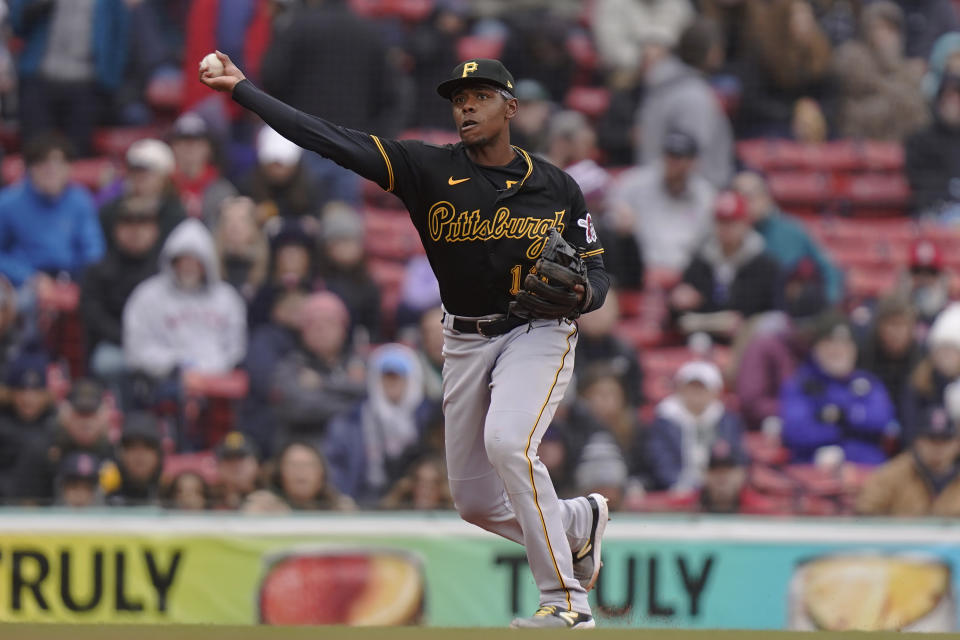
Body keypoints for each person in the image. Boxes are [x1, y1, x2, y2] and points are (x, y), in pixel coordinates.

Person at [201, 54, 611, 628]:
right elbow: (328, 139)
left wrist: (582, 296)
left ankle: (567, 602)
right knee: (474, 501)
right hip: (465, 339)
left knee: (509, 444)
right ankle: (575, 523)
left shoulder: (556, 186)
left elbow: (597, 274)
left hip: (535, 332)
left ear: (511, 107)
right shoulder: (426, 168)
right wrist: (243, 90)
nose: (466, 105)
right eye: (459, 98)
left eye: (481, 95)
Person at [123, 218, 247, 383]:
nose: (189, 267)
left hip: (217, 382)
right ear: (172, 261)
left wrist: (209, 368)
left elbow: (235, 347)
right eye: (184, 260)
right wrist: (177, 366)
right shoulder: (148, 296)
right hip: (162, 380)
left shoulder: (226, 298)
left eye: (195, 261)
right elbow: (137, 348)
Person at [10, 0, 130, 156]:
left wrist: (110, 82)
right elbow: (16, 23)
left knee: (77, 154)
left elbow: (119, 34)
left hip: (86, 84)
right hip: (39, 79)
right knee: (36, 151)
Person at [323, 344, 437, 506]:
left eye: (398, 376)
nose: (392, 382)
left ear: (412, 379)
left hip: (415, 500)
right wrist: (342, 498)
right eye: (386, 376)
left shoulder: (429, 419)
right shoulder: (350, 421)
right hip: (362, 499)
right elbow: (336, 466)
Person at [780, 313, 898, 465]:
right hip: (815, 468)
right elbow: (795, 431)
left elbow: (883, 420)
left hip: (868, 466)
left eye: (844, 344)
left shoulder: (867, 382)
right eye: (830, 343)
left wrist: (844, 415)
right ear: (816, 348)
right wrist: (842, 430)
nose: (838, 350)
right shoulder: (801, 384)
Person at [669, 191, 780, 340]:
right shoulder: (700, 262)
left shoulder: (766, 266)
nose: (726, 229)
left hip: (749, 343)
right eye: (721, 222)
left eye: (732, 222)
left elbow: (776, 315)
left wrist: (748, 325)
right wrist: (676, 304)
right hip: (703, 340)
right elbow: (677, 319)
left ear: (746, 222)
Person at [0, 134, 104, 288]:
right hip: (24, 282)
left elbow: (93, 248)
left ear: (69, 168)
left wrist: (88, 276)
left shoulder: (80, 199)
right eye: (43, 165)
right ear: (30, 168)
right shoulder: (8, 202)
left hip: (72, 277)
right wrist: (27, 276)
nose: (51, 172)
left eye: (59, 165)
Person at [81, 197, 162, 388]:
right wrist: (130, 340)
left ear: (155, 230)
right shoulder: (97, 271)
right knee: (106, 362)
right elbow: (93, 316)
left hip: (159, 346)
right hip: (117, 345)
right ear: (117, 230)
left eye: (143, 224)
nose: (136, 232)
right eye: (128, 224)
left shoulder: (165, 271)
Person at [607, 130, 715, 272]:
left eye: (680, 158)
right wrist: (618, 220)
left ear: (693, 162)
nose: (673, 163)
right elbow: (609, 216)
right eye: (669, 155)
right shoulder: (634, 183)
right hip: (638, 268)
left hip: (686, 272)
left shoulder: (705, 195)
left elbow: (709, 241)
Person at [269, 292, 366, 448]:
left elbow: (372, 395)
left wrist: (323, 383)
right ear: (303, 331)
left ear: (344, 327)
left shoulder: (360, 362)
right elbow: (299, 409)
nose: (321, 329)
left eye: (329, 322)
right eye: (313, 323)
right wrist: (351, 401)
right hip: (304, 448)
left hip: (352, 451)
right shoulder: (290, 366)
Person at [635, 38, 733, 188]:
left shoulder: (658, 88)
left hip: (657, 185)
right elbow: (693, 153)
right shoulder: (693, 94)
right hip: (683, 192)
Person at [733, 170, 843, 305]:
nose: (745, 203)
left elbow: (830, 269)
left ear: (766, 197)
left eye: (749, 197)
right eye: (738, 197)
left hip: (788, 314)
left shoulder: (793, 231)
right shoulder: (724, 235)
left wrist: (826, 305)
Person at [831, 2, 929, 141]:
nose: (883, 35)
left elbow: (919, 116)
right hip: (858, 145)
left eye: (890, 30)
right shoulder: (852, 60)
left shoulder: (906, 70)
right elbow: (849, 111)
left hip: (900, 149)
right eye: (878, 28)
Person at [645, 361, 746, 492]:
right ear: (680, 389)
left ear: (715, 392)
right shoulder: (664, 422)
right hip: (675, 488)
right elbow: (660, 461)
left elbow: (737, 459)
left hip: (716, 490)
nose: (696, 393)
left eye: (702, 388)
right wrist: (679, 485)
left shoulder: (728, 422)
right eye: (691, 387)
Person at [13, 377, 114, 504]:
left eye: (91, 415)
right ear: (65, 415)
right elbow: (25, 505)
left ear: (104, 416)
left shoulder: (114, 453)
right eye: (79, 414)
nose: (85, 423)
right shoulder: (41, 451)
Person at [856, 406, 960, 516]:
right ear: (918, 441)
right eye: (931, 440)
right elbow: (865, 512)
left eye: (945, 441)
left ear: (957, 443)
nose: (938, 448)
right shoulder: (892, 474)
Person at [98, 138, 185, 248]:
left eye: (146, 174)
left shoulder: (175, 214)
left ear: (164, 178)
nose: (139, 179)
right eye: (134, 172)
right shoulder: (110, 212)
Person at [315, 203, 382, 344]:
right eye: (339, 241)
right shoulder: (318, 280)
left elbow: (373, 328)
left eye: (350, 241)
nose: (345, 248)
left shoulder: (369, 286)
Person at [857, 296, 923, 423]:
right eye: (891, 324)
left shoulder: (921, 360)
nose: (896, 332)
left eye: (902, 325)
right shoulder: (863, 355)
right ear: (878, 326)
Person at [0, 352, 57, 499]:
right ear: (9, 393)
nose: (28, 398)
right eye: (21, 390)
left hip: (48, 512)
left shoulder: (56, 425)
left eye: (36, 390)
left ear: (46, 394)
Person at [902, 303, 960, 444]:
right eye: (942, 348)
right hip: (920, 456)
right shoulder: (918, 384)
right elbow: (909, 432)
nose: (946, 356)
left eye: (952, 349)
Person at [575, 289, 643, 408]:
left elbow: (635, 398)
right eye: (590, 307)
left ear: (616, 312)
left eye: (602, 308)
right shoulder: (564, 351)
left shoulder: (626, 352)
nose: (596, 314)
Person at [241, 125, 322, 222]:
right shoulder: (247, 187)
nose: (278, 170)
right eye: (272, 162)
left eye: (283, 162)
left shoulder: (311, 188)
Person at [905, 74, 960, 217]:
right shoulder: (921, 141)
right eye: (949, 98)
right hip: (937, 212)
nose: (953, 104)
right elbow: (922, 186)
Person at [592, 0, 695, 75]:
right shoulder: (611, 4)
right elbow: (610, 49)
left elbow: (692, 41)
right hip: (629, 76)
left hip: (675, 73)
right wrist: (644, 59)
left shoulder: (679, 4)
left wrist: (665, 55)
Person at [168, 112, 237, 224]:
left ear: (208, 148)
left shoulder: (223, 191)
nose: (189, 149)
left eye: (196, 143)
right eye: (183, 142)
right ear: (173, 147)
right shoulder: (164, 186)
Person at [266, 440, 354, 511]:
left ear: (322, 473)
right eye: (293, 465)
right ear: (279, 473)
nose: (301, 471)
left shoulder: (338, 509)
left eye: (308, 465)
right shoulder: (266, 506)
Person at [213, 196, 270, 302]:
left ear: (254, 226)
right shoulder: (209, 269)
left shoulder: (269, 269)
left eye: (242, 220)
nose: (234, 226)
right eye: (228, 220)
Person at [104, 412, 164, 507]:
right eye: (131, 447)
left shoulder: (172, 495)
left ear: (158, 455)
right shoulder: (102, 497)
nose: (139, 454)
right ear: (120, 454)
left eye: (148, 446)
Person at [894, 239, 950, 328]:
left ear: (941, 278)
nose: (923, 279)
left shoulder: (951, 316)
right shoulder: (892, 316)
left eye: (931, 272)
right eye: (917, 271)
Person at [380, 454, 454, 510]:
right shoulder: (403, 513)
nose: (425, 491)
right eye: (421, 484)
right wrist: (397, 493)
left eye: (432, 486)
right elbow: (382, 512)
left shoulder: (450, 520)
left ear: (442, 488)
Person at [211, 431, 260, 510]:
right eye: (229, 458)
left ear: (256, 463)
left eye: (241, 457)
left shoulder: (271, 501)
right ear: (218, 466)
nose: (235, 465)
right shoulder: (207, 499)